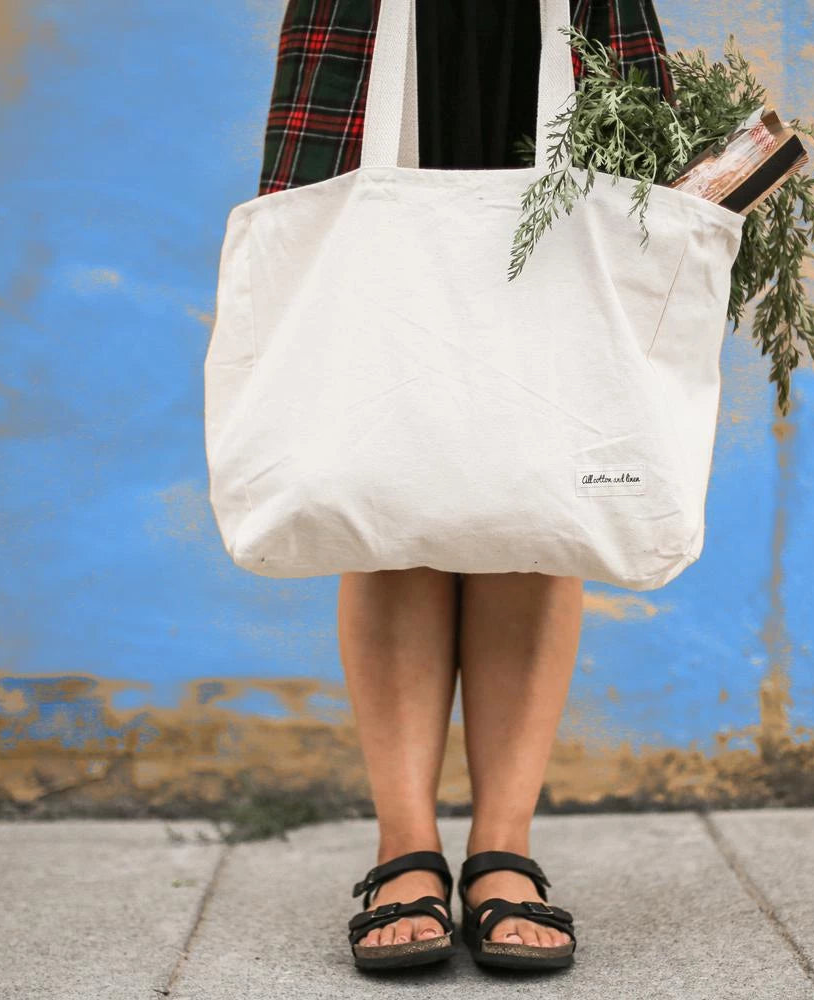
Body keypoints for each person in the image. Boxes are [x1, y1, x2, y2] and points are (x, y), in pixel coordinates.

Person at [257, 0, 675, 971]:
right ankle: (405, 847)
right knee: (387, 463)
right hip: (377, 31)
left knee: (536, 475)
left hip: (562, 27)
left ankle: (503, 848)